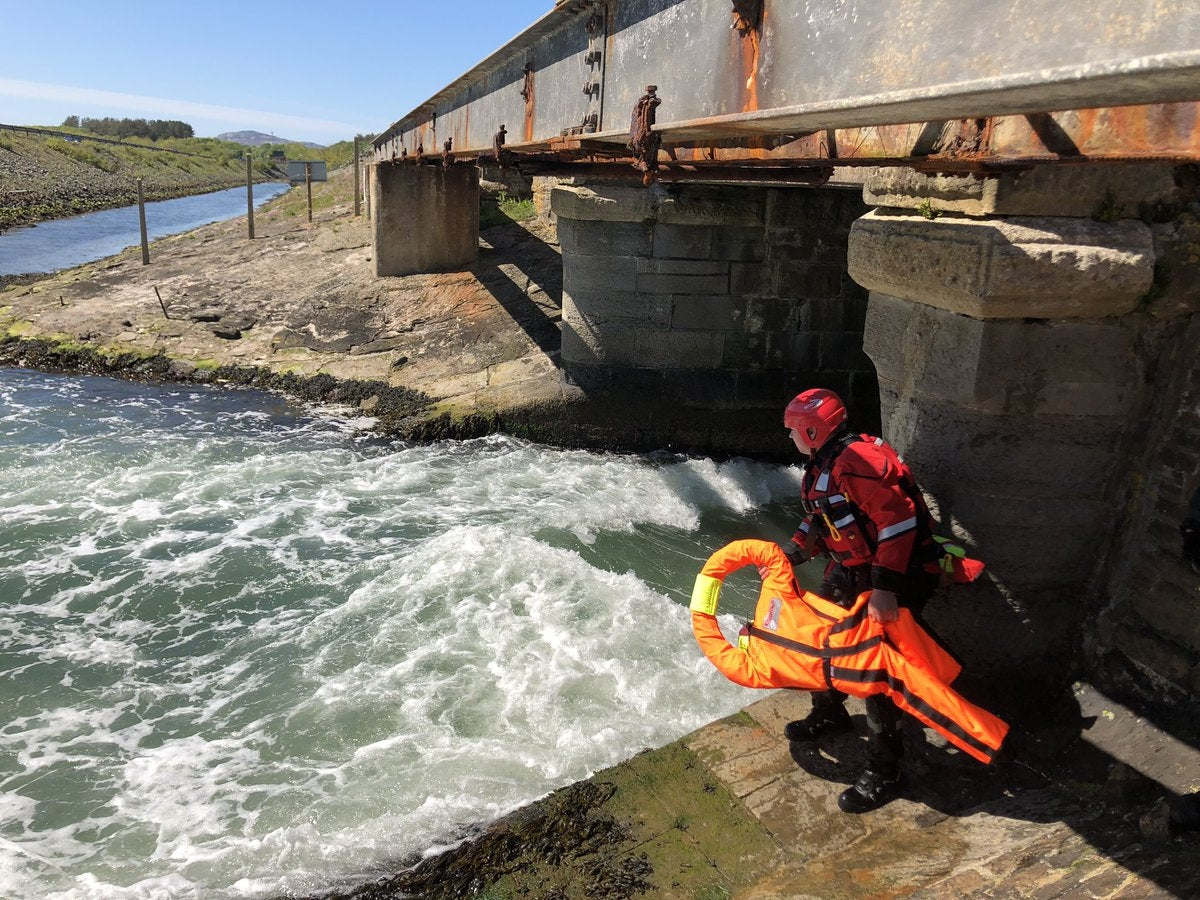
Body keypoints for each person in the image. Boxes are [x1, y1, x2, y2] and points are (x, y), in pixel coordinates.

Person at [779, 387, 945, 813]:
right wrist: (792, 554)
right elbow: (821, 517)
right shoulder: (825, 461)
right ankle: (830, 711)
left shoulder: (858, 460)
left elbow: (898, 521)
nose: (790, 438)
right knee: (824, 644)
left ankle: (885, 769)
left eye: (794, 431)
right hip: (853, 571)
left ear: (813, 430)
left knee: (874, 673)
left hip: (893, 576)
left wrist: (885, 588)